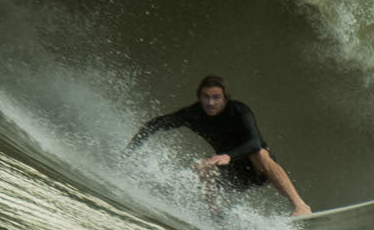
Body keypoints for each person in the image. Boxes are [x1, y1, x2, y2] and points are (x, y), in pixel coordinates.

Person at [128, 74, 312, 217]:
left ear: (225, 98)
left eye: (216, 97)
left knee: (260, 153)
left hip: (259, 170)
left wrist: (227, 156)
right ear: (199, 97)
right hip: (233, 175)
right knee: (204, 165)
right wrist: (128, 153)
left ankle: (300, 206)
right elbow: (155, 124)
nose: (210, 102)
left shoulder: (239, 110)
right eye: (205, 97)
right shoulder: (194, 114)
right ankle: (216, 215)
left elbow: (254, 142)